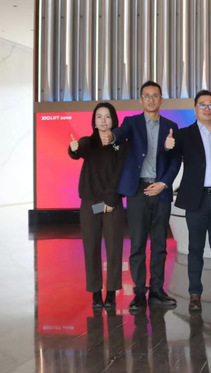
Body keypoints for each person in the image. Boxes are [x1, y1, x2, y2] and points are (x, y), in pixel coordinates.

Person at [100, 80, 182, 311]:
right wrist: (110, 137)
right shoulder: (132, 122)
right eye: (147, 95)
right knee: (137, 244)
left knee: (160, 245)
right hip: (137, 191)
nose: (151, 99)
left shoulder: (171, 126)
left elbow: (175, 160)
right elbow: (119, 134)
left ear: (161, 99)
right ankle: (138, 292)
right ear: (140, 100)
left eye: (155, 95)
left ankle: (156, 290)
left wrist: (164, 183)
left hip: (160, 191)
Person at [170, 90, 211, 311]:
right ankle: (194, 294)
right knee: (195, 249)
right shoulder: (184, 135)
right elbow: (170, 157)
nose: (207, 108)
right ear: (195, 109)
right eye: (202, 105)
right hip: (196, 200)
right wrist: (168, 146)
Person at [68, 102, 128, 309]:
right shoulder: (87, 142)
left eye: (107, 116)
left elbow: (121, 173)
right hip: (90, 203)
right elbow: (76, 152)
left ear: (114, 120)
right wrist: (72, 149)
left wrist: (111, 200)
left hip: (112, 203)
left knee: (114, 248)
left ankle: (111, 292)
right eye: (99, 116)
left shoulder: (121, 145)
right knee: (91, 247)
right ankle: (95, 291)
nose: (103, 120)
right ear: (94, 121)